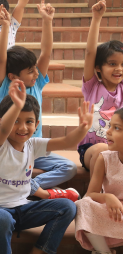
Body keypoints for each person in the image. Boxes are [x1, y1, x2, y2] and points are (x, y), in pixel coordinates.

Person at [0, 81, 91, 254]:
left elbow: (67, 141)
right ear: (1, 122)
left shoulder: (33, 144)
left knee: (68, 207)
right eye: (16, 121)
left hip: (23, 209)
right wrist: (17, 105)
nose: (23, 127)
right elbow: (5, 129)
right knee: (2, 219)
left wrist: (83, 128)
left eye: (29, 121)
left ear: (36, 124)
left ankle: (41, 250)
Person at [0, 0, 78, 201]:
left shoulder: (37, 84)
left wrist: (47, 21)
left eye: (35, 69)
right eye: (29, 71)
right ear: (13, 76)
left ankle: (30, 186)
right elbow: (0, 59)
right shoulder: (5, 86)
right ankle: (30, 187)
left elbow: (46, 52)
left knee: (69, 167)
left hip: (35, 149)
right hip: (11, 150)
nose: (35, 73)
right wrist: (5, 27)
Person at [77, 0, 123, 177]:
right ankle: (94, 194)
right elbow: (90, 53)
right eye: (112, 64)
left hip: (119, 149)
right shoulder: (92, 87)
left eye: (122, 64)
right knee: (103, 151)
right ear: (98, 67)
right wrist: (96, 18)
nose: (118, 68)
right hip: (90, 149)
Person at [74, 108, 123, 254]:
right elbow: (91, 194)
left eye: (116, 128)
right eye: (110, 126)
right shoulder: (105, 158)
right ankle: (104, 252)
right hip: (111, 213)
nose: (108, 132)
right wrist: (108, 197)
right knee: (82, 204)